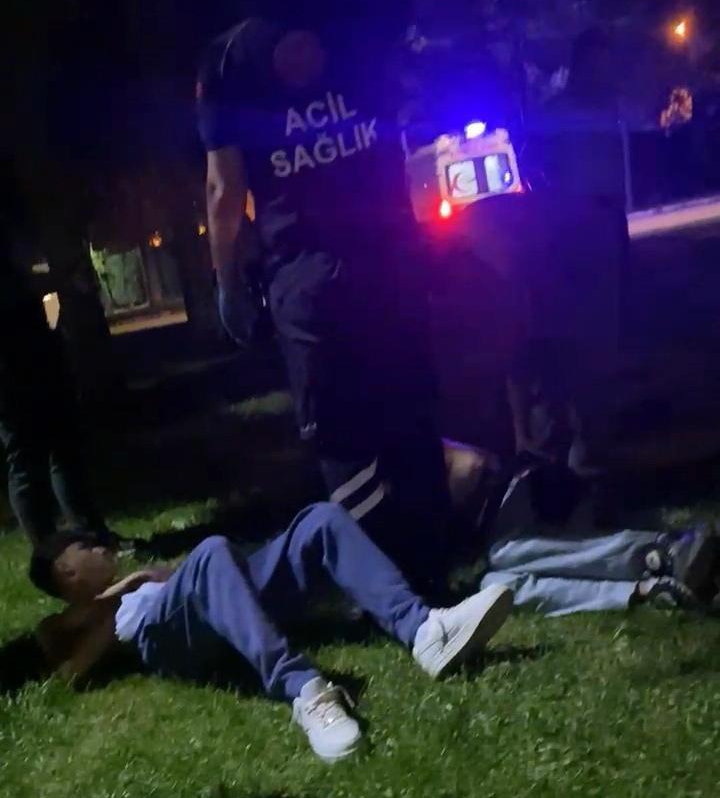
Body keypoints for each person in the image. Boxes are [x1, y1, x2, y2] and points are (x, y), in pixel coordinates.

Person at [197, 0, 450, 594]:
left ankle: (385, 583)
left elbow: (224, 190)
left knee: (338, 434)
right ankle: (434, 565)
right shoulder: (358, 24)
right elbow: (399, 126)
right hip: (388, 256)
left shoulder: (227, 59)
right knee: (409, 410)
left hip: (305, 275)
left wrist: (227, 281)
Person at [30, 503, 513, 762]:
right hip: (169, 641)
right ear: (65, 572)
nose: (100, 549)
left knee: (320, 520)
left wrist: (154, 577)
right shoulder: (70, 621)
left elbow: (202, 574)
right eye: (85, 549)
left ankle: (423, 629)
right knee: (211, 550)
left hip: (215, 599)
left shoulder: (141, 579)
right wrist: (114, 600)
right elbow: (70, 671)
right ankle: (305, 691)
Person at [477, 465, 720, 616]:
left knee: (505, 553)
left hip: (520, 496)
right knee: (496, 588)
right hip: (485, 548)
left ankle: (660, 556)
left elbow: (472, 466)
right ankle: (645, 588)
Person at [0, 243, 114, 547]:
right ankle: (50, 551)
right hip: (12, 359)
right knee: (27, 456)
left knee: (62, 446)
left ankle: (88, 536)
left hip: (36, 345)